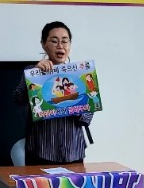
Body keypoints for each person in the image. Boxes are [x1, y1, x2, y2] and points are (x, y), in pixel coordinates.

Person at [13, 21, 94, 165]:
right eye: (54, 41)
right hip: (40, 151)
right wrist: (34, 76)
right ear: (43, 44)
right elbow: (18, 100)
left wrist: (72, 102)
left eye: (65, 41)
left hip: (73, 151)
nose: (60, 46)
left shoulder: (80, 74)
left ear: (70, 45)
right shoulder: (32, 71)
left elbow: (86, 117)